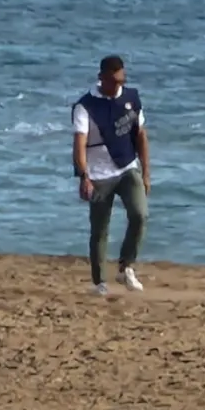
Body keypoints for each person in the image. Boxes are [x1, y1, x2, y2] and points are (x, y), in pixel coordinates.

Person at [71, 55, 150, 297]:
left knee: (140, 215)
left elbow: (141, 136)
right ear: (102, 77)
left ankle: (126, 267)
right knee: (100, 229)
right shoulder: (85, 107)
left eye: (121, 81)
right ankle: (100, 282)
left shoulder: (131, 98)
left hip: (127, 168)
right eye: (113, 81)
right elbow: (79, 145)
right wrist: (84, 176)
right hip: (98, 175)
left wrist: (146, 172)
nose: (118, 86)